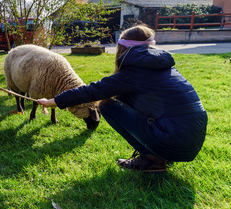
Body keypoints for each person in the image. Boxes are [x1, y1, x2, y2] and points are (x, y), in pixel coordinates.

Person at [38, 25, 207, 173]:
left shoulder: (132, 73)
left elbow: (92, 91)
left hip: (174, 139)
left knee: (107, 105)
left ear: (122, 49)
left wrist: (53, 101)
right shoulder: (164, 66)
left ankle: (152, 159)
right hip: (192, 141)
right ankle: (159, 154)